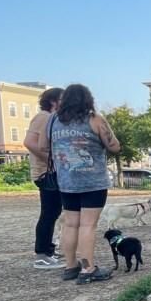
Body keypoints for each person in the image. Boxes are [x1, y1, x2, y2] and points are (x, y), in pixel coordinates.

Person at [45, 83, 121, 284]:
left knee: (71, 224)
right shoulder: (95, 119)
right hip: (92, 181)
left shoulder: (53, 120)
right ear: (88, 99)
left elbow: (44, 146)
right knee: (88, 225)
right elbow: (114, 146)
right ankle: (88, 268)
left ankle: (70, 266)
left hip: (66, 181)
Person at [24, 86, 65, 269]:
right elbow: (29, 142)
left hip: (48, 172)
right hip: (45, 173)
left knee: (53, 212)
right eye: (63, 99)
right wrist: (51, 160)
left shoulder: (50, 118)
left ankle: (48, 250)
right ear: (53, 101)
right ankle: (42, 254)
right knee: (49, 213)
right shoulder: (44, 117)